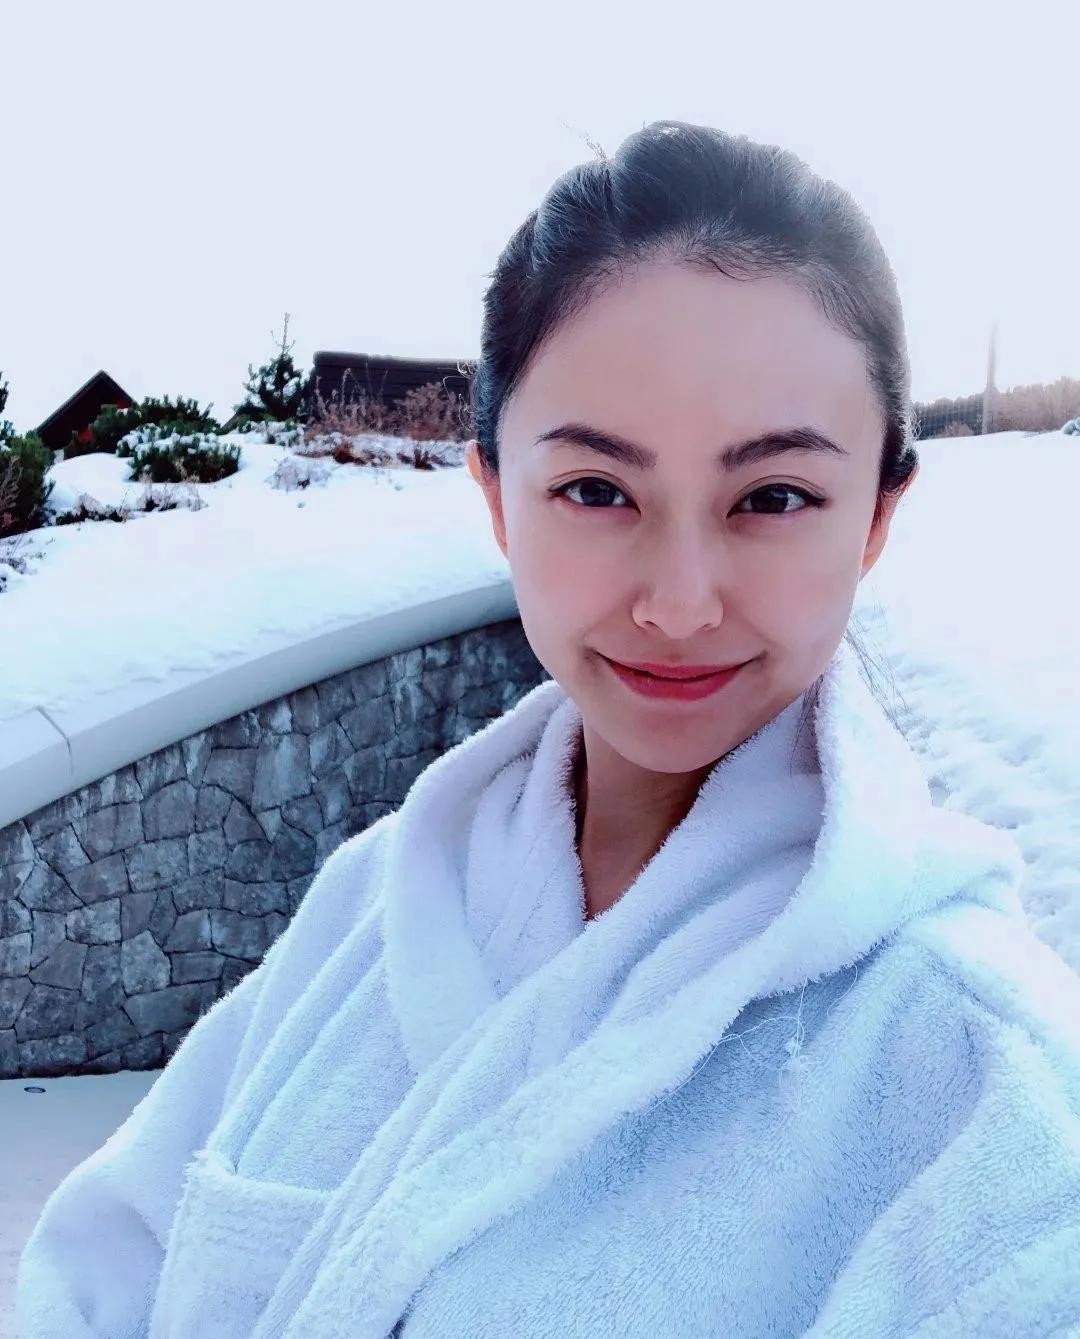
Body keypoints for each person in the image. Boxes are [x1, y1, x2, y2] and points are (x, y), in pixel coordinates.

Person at [17, 121, 1080, 1338]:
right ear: (496, 497)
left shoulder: (988, 1095)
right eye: (596, 489)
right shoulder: (376, 905)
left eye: (775, 496)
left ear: (878, 515)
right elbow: (102, 1268)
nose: (679, 603)